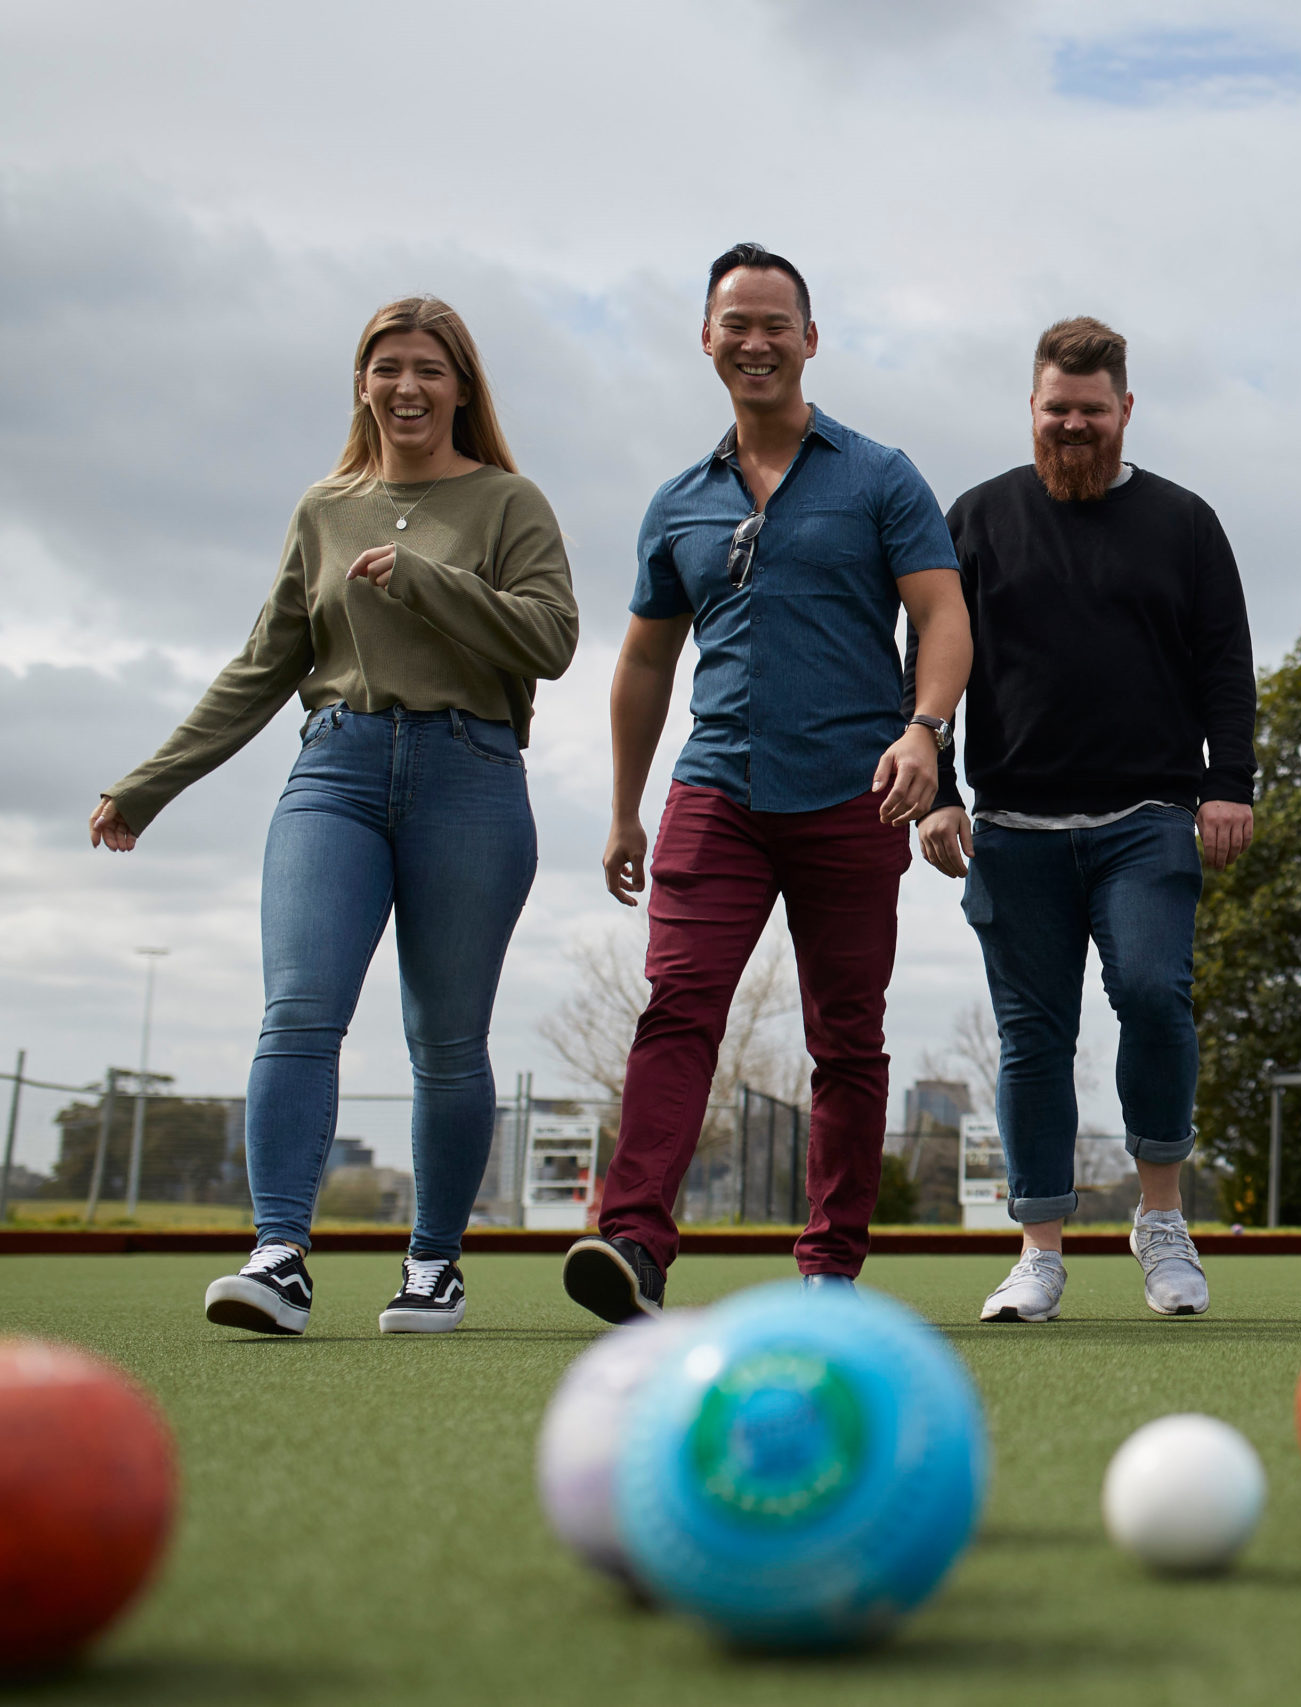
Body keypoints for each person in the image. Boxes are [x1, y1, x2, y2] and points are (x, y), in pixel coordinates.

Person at [92, 296, 578, 1336]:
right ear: (362, 382)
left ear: (461, 388)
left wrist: (426, 583)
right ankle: (278, 1257)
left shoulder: (509, 502)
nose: (407, 387)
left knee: (446, 1040)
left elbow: (550, 641)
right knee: (301, 1009)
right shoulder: (323, 510)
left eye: (428, 370)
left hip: (471, 775)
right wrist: (149, 782)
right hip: (336, 773)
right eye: (386, 367)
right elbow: (263, 664)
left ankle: (433, 1267)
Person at [561, 244, 970, 1322]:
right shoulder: (677, 504)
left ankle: (830, 1269)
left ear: (809, 339)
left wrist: (926, 733)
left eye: (774, 323)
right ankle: (632, 1245)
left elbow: (941, 615)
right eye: (733, 322)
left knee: (847, 1036)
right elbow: (645, 662)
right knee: (677, 1008)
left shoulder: (879, 475)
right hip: (716, 793)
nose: (754, 340)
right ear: (706, 339)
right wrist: (622, 808)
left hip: (853, 793)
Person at [915, 318, 1254, 1323]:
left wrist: (1227, 782)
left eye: (1091, 412)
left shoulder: (1185, 524)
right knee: (1031, 1037)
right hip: (1013, 825)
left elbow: (1225, 667)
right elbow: (929, 660)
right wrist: (935, 790)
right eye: (1055, 410)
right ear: (1031, 409)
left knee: (1153, 993)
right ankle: (1039, 1249)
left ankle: (1160, 1222)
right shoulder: (974, 518)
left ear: (1125, 412)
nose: (1072, 426)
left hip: (1146, 815)